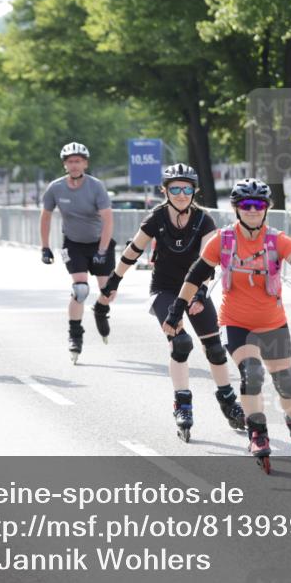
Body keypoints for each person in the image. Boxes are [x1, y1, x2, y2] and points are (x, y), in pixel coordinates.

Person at [162, 178, 291, 473]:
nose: (253, 210)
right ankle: (257, 431)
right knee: (252, 373)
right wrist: (177, 308)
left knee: (287, 382)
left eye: (259, 205)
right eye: (246, 205)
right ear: (236, 209)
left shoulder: (275, 239)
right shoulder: (224, 240)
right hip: (236, 322)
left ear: (267, 208)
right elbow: (195, 274)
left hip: (273, 322)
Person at [103, 163, 245, 443]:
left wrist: (201, 293)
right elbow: (133, 251)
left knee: (215, 349)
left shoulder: (204, 221)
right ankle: (182, 404)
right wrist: (113, 280)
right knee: (181, 344)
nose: (181, 194)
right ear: (165, 191)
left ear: (195, 191)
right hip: (165, 290)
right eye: (175, 189)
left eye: (187, 189)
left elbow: (208, 261)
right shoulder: (156, 217)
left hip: (194, 289)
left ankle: (227, 399)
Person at [40, 142, 115, 363]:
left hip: (100, 241)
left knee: (108, 291)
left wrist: (102, 249)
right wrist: (44, 247)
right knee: (80, 289)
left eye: (78, 161)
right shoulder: (55, 188)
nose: (74, 165)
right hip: (72, 244)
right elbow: (45, 217)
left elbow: (108, 220)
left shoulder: (96, 186)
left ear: (85, 163)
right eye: (70, 161)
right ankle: (75, 335)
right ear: (65, 164)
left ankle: (101, 310)